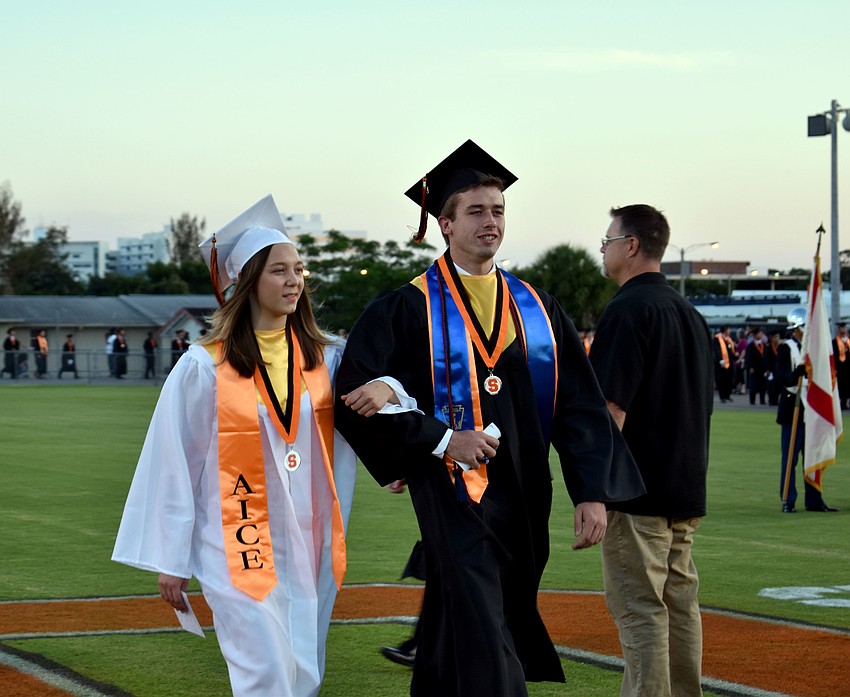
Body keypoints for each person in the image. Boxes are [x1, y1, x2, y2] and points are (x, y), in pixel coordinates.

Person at [335, 140, 644, 696]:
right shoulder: (406, 309)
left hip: (526, 490)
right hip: (452, 493)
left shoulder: (540, 310)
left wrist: (591, 490)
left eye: (498, 210)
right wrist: (436, 441)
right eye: (475, 210)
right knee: (483, 624)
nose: (490, 221)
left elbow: (579, 406)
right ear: (445, 224)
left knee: (472, 621)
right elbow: (354, 398)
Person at [113, 194, 358, 697]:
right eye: (278, 271)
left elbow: (379, 405)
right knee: (264, 671)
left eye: (299, 270)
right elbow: (174, 460)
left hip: (310, 536)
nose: (294, 281)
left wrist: (393, 415)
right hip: (235, 543)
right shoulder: (204, 365)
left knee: (303, 670)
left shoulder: (326, 358)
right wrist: (172, 558)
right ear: (247, 281)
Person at [589, 204, 714, 697]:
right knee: (679, 605)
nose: (604, 249)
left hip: (637, 492)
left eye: (608, 240)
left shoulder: (628, 309)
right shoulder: (688, 312)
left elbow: (611, 411)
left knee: (640, 609)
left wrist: (594, 490)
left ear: (632, 246)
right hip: (684, 487)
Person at [776, 317, 837, 513]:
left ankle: (814, 500)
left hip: (812, 410)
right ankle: (788, 499)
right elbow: (783, 378)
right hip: (793, 407)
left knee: (813, 456)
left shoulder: (813, 351)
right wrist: (797, 373)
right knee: (791, 458)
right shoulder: (786, 348)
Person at [713, 325, 737, 402]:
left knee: (729, 380)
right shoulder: (717, 338)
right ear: (725, 330)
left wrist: (735, 356)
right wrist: (720, 360)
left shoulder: (728, 339)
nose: (730, 331)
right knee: (722, 380)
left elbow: (731, 350)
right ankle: (722, 396)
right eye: (729, 329)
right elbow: (716, 350)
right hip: (721, 363)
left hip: (729, 363)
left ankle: (727, 395)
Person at [745, 327, 767, 405]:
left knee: (763, 385)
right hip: (754, 368)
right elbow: (748, 357)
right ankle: (752, 400)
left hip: (762, 368)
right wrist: (750, 367)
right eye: (760, 333)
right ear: (755, 335)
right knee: (753, 385)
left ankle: (762, 400)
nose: (761, 335)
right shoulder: (750, 346)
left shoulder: (763, 345)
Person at [832, 322, 850, 410]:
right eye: (842, 328)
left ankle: (845, 402)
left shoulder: (848, 341)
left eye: (845, 328)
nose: (844, 330)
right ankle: (839, 403)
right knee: (840, 385)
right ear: (839, 329)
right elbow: (834, 355)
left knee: (848, 385)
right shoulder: (835, 342)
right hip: (840, 368)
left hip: (848, 368)